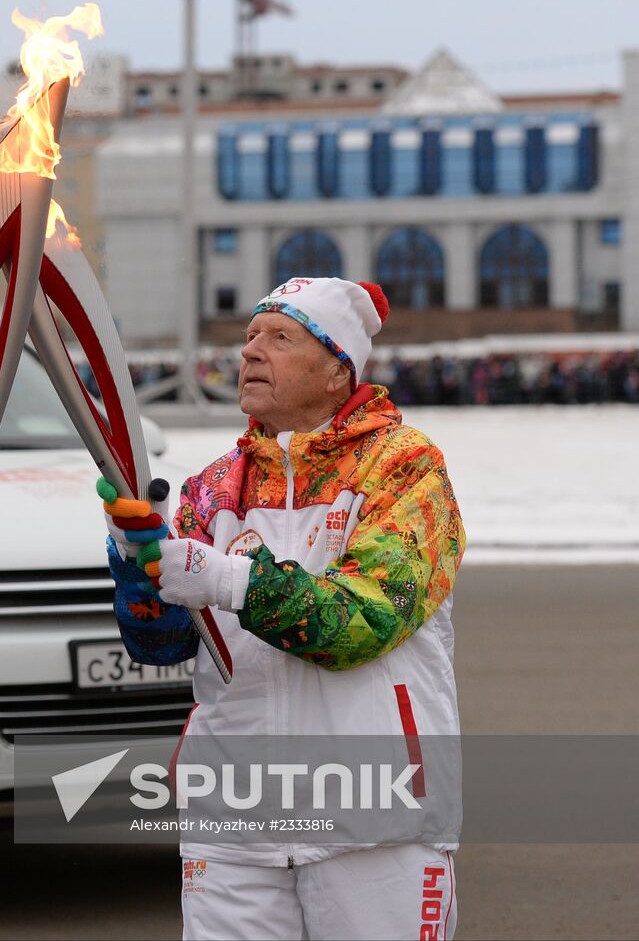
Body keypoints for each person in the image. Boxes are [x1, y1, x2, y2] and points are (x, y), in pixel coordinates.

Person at [100, 276, 466, 941]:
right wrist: (138, 568)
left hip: (375, 815)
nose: (251, 352)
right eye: (248, 338)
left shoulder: (404, 470)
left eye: (280, 337)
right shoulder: (213, 489)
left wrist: (220, 575)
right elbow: (165, 643)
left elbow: (360, 621)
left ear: (337, 370)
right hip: (235, 819)